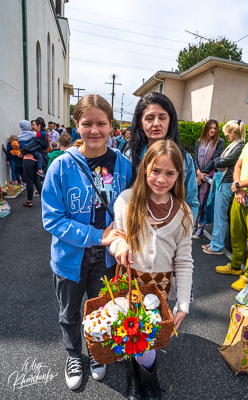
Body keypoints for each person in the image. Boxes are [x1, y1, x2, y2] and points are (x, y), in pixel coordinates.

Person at [41, 94, 132, 391]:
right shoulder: (60, 167)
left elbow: (129, 208)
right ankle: (73, 354)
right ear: (76, 125)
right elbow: (52, 220)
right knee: (69, 312)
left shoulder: (124, 166)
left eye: (101, 123)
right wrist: (98, 235)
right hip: (70, 257)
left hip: (108, 257)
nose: (94, 130)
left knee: (100, 310)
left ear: (112, 126)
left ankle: (96, 351)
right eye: (87, 123)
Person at [108, 139, 194, 400]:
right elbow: (115, 237)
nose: (161, 179)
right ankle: (136, 377)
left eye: (170, 173)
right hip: (129, 280)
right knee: (129, 331)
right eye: (155, 171)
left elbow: (185, 261)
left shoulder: (183, 213)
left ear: (178, 175)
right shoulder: (126, 201)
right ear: (145, 169)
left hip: (160, 287)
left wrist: (183, 304)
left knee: (149, 336)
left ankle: (148, 377)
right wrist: (120, 244)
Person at [125, 92, 198, 223]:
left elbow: (191, 202)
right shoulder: (128, 156)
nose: (156, 123)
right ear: (140, 122)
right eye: (150, 118)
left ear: (170, 121)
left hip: (170, 235)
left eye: (162, 117)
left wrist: (184, 232)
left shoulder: (185, 159)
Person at [216, 109, 248, 291]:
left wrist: (240, 185)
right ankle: (235, 267)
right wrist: (239, 188)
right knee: (236, 233)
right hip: (240, 195)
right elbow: (238, 164)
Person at [203, 120, 245, 255]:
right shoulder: (235, 145)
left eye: (227, 134)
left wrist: (218, 162)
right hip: (223, 181)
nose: (226, 137)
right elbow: (219, 161)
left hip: (226, 182)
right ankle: (215, 242)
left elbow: (222, 161)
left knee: (220, 215)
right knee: (218, 214)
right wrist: (218, 162)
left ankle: (217, 246)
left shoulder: (239, 146)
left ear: (233, 133)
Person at [193, 119, 225, 238]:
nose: (212, 130)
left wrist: (203, 174)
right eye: (210, 128)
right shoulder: (200, 141)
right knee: (195, 199)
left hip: (209, 176)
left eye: (215, 128)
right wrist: (198, 172)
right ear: (206, 128)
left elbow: (215, 159)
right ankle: (194, 224)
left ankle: (202, 226)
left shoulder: (220, 142)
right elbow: (195, 156)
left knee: (205, 201)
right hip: (199, 174)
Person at [22, 118, 47, 207]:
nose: (32, 127)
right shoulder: (42, 137)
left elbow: (26, 148)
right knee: (37, 181)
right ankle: (42, 199)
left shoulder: (36, 138)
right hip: (37, 161)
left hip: (29, 160)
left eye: (33, 125)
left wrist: (21, 150)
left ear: (39, 126)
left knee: (29, 181)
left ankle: (29, 201)